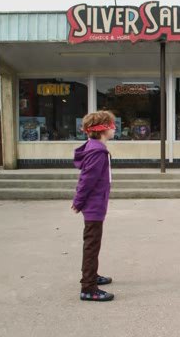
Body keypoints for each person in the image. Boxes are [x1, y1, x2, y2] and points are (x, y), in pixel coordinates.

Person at [71, 110, 116, 302]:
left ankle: (92, 275)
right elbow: (87, 180)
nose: (114, 128)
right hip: (93, 206)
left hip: (96, 204)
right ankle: (88, 287)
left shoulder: (95, 147)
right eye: (112, 125)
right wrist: (78, 202)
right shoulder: (97, 151)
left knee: (93, 244)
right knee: (92, 245)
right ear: (103, 129)